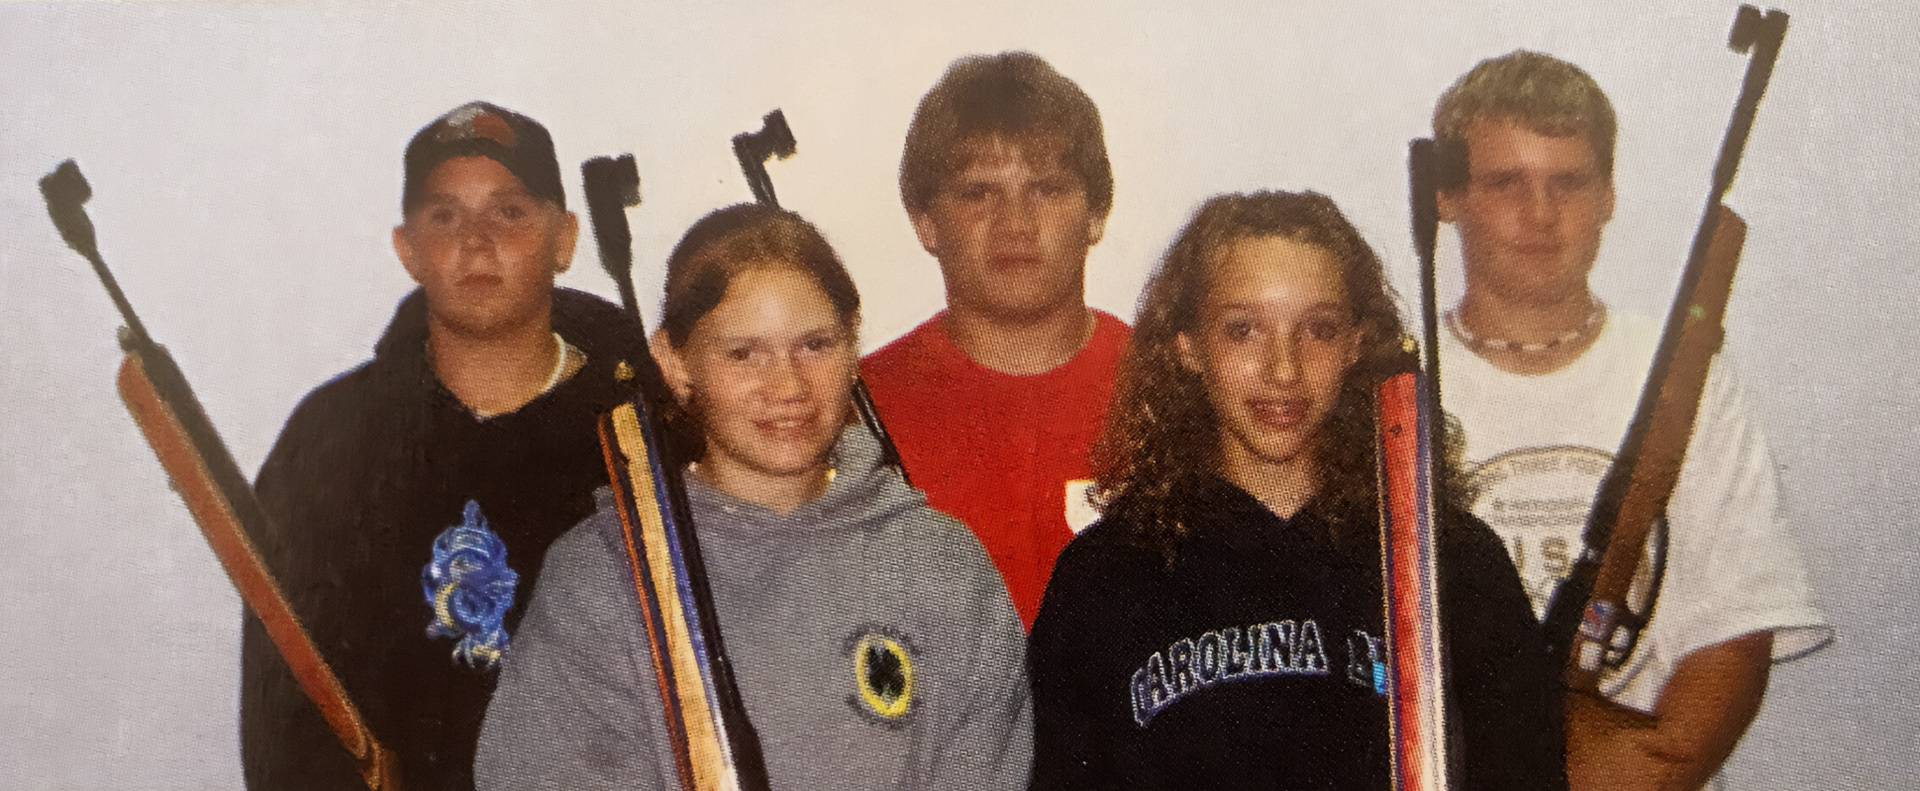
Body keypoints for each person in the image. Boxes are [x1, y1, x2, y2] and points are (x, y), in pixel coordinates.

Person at [475, 204, 1031, 790]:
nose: (788, 386)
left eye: (816, 345)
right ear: (674, 362)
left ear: (852, 344)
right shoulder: (602, 578)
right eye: (743, 354)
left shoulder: (943, 563)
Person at [1028, 191, 1564, 790]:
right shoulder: (1104, 579)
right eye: (1242, 330)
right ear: (1188, 347)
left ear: (1357, 343)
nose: (1283, 369)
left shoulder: (1451, 566)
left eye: (1319, 329)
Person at [1429, 51, 1832, 790]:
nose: (1541, 214)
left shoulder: (1687, 375)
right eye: (1505, 182)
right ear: (1446, 195)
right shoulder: (1398, 386)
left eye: (1569, 182)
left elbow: (1735, 631)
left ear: (1610, 194)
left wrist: (1643, 770)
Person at [240, 101, 653, 790]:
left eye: (510, 211)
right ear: (407, 249)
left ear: (565, 237)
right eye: (444, 216)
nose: (476, 241)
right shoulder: (332, 440)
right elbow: (286, 721)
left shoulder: (645, 419)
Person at [861, 51, 1130, 628]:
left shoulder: (1170, 390)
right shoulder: (855, 406)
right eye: (978, 193)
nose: (1015, 223)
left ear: (1096, 213)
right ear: (925, 221)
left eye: (1047, 189)